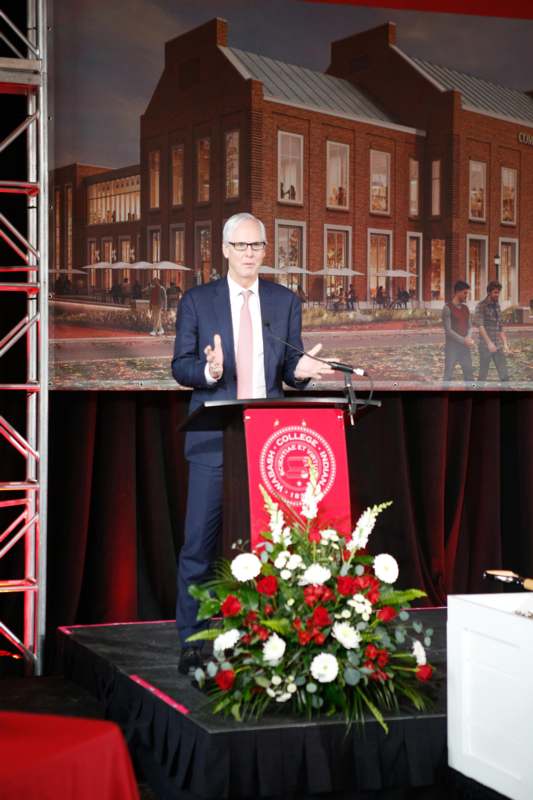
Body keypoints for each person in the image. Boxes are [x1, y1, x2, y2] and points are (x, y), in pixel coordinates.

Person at [172, 212, 334, 675]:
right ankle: (193, 642)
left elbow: (288, 368)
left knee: (272, 546)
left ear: (265, 251)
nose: (248, 254)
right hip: (212, 441)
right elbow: (181, 365)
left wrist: (299, 374)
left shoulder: (284, 301)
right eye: (240, 246)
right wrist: (211, 372)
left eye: (256, 246)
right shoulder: (198, 301)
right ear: (223, 249)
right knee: (199, 547)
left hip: (269, 441)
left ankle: (270, 635)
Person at [474, 280, 510, 382]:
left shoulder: (497, 306)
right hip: (485, 346)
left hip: (498, 346)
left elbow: (500, 327)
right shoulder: (481, 306)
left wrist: (505, 345)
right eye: (495, 292)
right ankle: (477, 395)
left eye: (498, 292)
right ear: (489, 292)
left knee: (504, 375)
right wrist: (489, 343)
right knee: (482, 376)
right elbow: (480, 326)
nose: (497, 295)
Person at [442, 280, 474, 382]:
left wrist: (468, 337)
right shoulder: (447, 308)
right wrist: (464, 340)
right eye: (465, 293)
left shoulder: (465, 308)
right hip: (452, 348)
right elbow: (448, 330)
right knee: (448, 376)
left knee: (469, 376)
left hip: (465, 348)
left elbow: (470, 327)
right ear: (457, 292)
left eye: (467, 293)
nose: (466, 295)